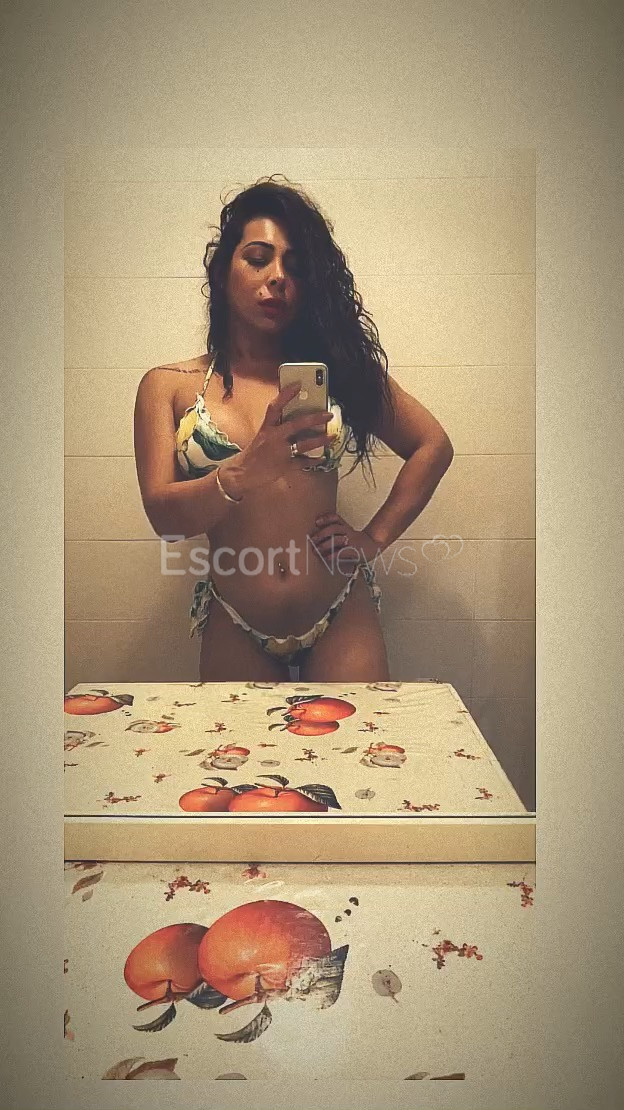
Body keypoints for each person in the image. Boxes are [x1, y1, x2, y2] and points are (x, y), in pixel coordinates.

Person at [134, 177, 454, 681]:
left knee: (358, 736)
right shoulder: (169, 387)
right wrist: (242, 473)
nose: (278, 276)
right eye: (258, 259)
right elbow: (164, 520)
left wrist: (373, 538)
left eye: (295, 266)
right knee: (234, 738)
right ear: (222, 271)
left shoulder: (339, 374)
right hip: (236, 617)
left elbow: (432, 445)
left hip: (339, 610)